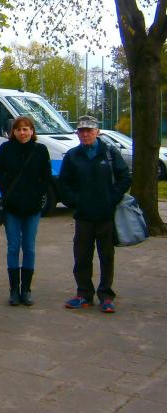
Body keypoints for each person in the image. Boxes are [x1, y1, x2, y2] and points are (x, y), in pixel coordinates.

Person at [58, 115, 130, 313]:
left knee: (106, 257)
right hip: (83, 216)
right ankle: (84, 294)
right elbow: (63, 183)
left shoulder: (110, 153)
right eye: (81, 131)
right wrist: (75, 201)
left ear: (97, 132)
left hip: (106, 215)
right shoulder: (72, 155)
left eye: (89, 130)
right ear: (77, 133)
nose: (85, 134)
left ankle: (106, 296)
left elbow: (124, 177)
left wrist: (112, 198)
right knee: (82, 256)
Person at [0, 116, 52, 306]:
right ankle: (13, 290)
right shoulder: (6, 148)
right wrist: (7, 193)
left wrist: (38, 194)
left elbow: (46, 177)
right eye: (18, 129)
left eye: (26, 129)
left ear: (32, 131)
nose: (22, 133)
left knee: (29, 247)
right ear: (14, 132)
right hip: (12, 208)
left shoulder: (40, 150)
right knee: (13, 247)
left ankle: (26, 289)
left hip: (32, 208)